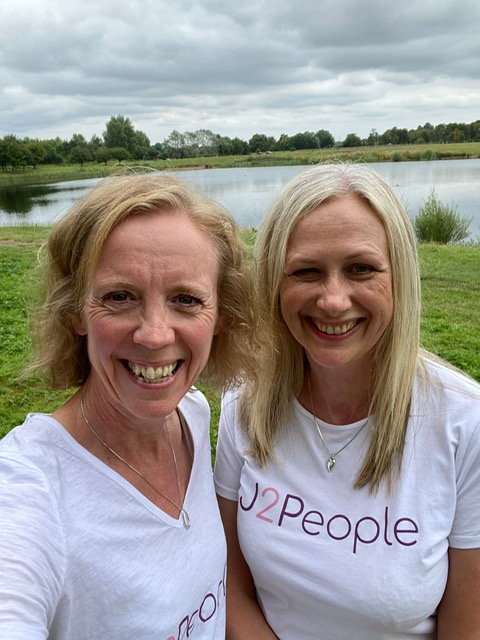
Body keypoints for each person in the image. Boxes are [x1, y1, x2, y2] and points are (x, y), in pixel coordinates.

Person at [214, 163, 480, 639]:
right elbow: (230, 587)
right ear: (275, 282)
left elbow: (467, 622)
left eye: (361, 269)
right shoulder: (244, 404)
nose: (334, 301)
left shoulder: (464, 422)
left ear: (399, 277)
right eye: (307, 271)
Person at [0, 172, 256, 639]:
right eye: (120, 297)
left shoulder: (194, 417)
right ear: (75, 311)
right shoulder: (30, 488)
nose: (155, 334)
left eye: (186, 299)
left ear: (220, 314)